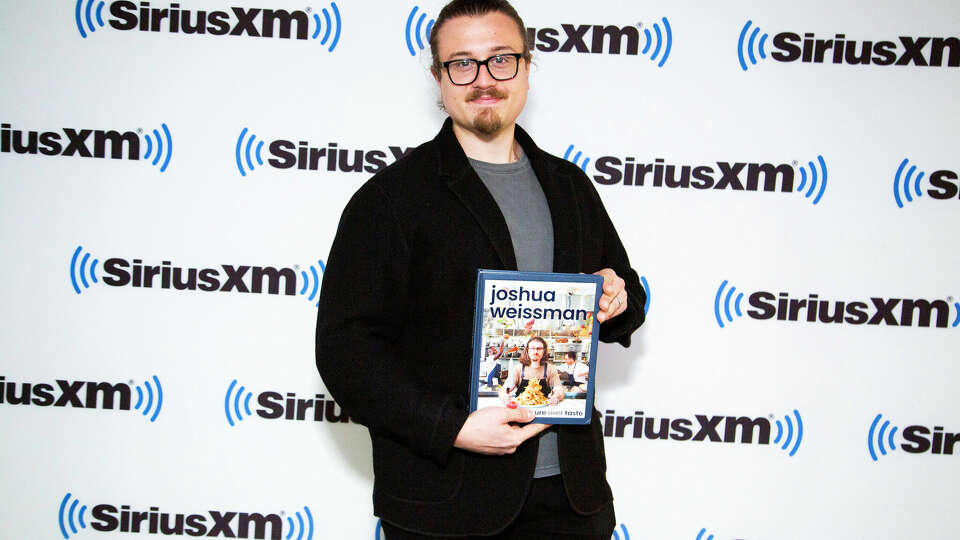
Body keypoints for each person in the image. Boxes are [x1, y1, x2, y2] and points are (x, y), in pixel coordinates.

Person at [315, 0, 646, 537]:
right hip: (447, 505)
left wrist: (617, 297)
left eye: (501, 59)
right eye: (461, 63)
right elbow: (345, 351)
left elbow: (626, 293)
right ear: (438, 78)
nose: (483, 79)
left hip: (571, 501)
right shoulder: (390, 199)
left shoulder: (570, 187)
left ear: (527, 66)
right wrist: (451, 427)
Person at [499, 337, 564, 406]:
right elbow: (506, 388)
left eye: (539, 349)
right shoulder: (518, 369)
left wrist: (556, 396)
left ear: (544, 351)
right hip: (522, 410)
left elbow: (558, 388)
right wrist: (504, 396)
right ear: (527, 350)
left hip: (544, 409)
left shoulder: (550, 369)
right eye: (532, 348)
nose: (535, 352)